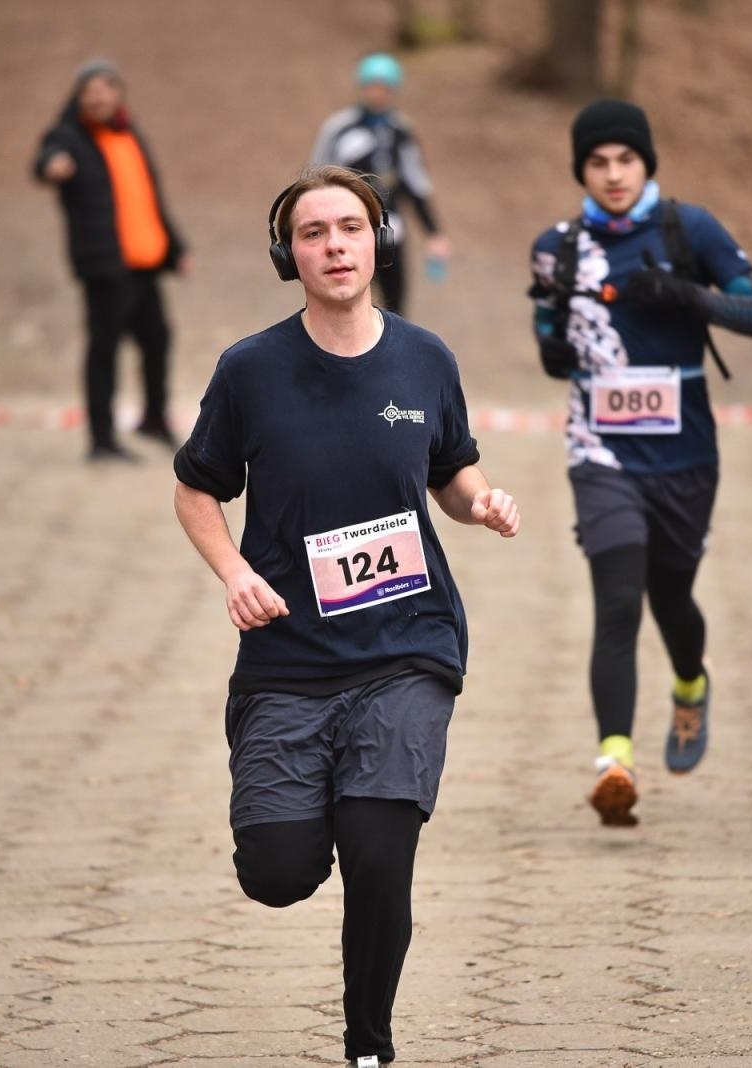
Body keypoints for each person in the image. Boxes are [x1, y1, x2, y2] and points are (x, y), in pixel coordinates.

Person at [172, 165, 517, 1066]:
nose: (335, 246)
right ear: (289, 254)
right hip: (287, 656)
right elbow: (195, 489)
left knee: (377, 852)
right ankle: (303, 790)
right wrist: (233, 571)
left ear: (379, 242)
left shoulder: (425, 359)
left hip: (409, 645)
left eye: (352, 229)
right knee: (279, 872)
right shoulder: (250, 369)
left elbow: (449, 469)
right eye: (315, 233)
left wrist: (479, 502)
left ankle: (370, 1048)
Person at [527, 99, 752, 828]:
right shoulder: (558, 246)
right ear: (582, 168)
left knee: (672, 599)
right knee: (617, 599)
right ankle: (615, 761)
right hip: (599, 452)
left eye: (626, 160)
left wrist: (686, 294)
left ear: (646, 165)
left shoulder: (688, 230)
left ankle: (692, 686)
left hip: (685, 455)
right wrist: (553, 347)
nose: (612, 174)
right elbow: (549, 335)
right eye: (598, 162)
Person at [33, 57, 189, 462]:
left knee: (157, 339)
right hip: (105, 267)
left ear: (118, 93)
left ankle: (153, 418)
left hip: (144, 264)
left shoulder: (128, 132)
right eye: (90, 92)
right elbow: (45, 157)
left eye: (105, 89)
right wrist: (52, 166)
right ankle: (101, 439)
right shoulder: (69, 135)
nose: (98, 98)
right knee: (104, 350)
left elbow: (148, 199)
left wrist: (175, 249)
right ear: (79, 98)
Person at [309, 53, 449, 318]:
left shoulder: (401, 130)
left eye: (384, 88)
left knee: (396, 306)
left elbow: (415, 181)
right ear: (362, 88)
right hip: (346, 226)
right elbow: (315, 178)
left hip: (391, 229)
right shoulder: (340, 127)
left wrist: (434, 232)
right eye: (372, 86)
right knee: (347, 300)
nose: (378, 94)